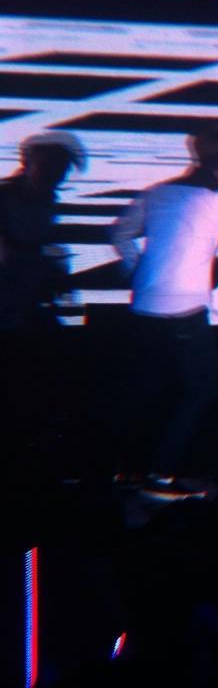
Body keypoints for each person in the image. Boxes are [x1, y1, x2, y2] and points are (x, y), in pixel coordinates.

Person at [111, 127, 218, 501]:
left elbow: (119, 235)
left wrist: (136, 270)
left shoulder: (156, 193)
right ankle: (159, 475)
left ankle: (120, 468)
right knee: (200, 391)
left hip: (144, 307)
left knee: (143, 390)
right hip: (185, 309)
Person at [1, 131, 85, 472]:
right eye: (48, 167)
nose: (55, 176)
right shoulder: (5, 198)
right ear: (29, 164)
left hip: (23, 308)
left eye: (60, 170)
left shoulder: (46, 202)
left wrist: (54, 274)